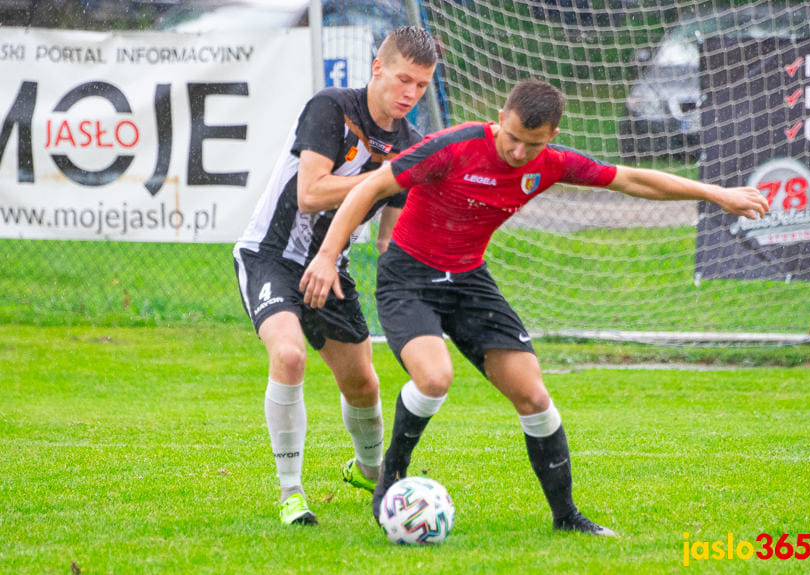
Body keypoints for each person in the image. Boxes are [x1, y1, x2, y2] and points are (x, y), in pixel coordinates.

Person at [299, 79, 769, 534]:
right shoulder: (454, 145)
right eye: (513, 138)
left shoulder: (553, 163)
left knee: (534, 396)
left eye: (533, 144)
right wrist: (325, 257)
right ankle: (389, 482)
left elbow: (631, 179)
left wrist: (716, 194)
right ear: (501, 118)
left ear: (552, 138)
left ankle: (566, 516)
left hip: (468, 279)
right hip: (410, 277)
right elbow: (369, 187)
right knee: (435, 378)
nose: (519, 152)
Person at [232, 26, 437, 526]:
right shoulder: (331, 107)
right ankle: (291, 494)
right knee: (289, 354)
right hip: (269, 257)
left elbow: (390, 236)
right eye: (403, 80)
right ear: (377, 69)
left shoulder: (409, 142)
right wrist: (389, 174)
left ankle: (370, 472)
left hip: (332, 268)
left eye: (421, 86)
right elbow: (310, 192)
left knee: (364, 384)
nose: (409, 94)